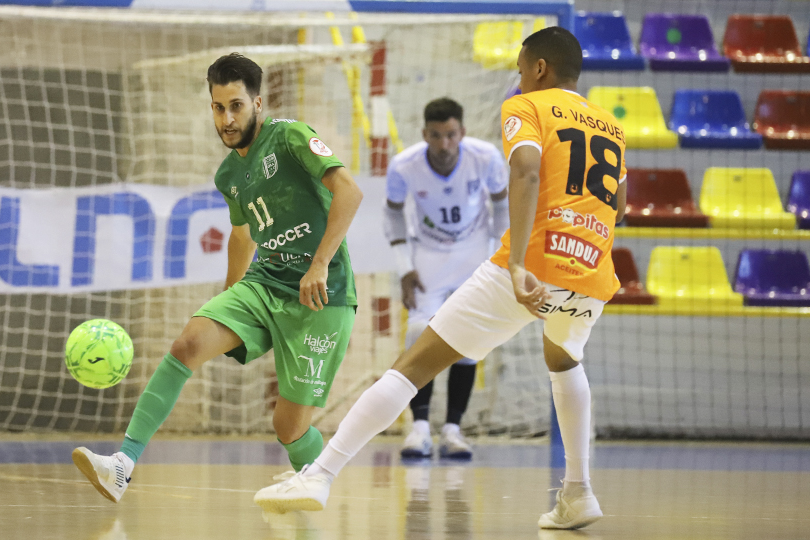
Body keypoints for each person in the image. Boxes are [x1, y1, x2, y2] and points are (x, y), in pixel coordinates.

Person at [254, 26, 627, 531]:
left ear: (539, 68)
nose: (518, 79)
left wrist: (518, 263)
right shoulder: (610, 124)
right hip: (591, 272)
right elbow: (619, 207)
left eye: (520, 69)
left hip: (533, 264)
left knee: (410, 367)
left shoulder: (528, 106)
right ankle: (578, 492)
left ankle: (318, 475)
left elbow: (525, 172)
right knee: (564, 361)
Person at [72, 53, 363, 503]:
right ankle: (122, 466)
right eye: (218, 107)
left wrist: (320, 262)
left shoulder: (290, 137)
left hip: (321, 295)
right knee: (187, 344)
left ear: (258, 103)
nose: (226, 119)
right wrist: (231, 297)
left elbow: (350, 190)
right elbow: (242, 235)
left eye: (236, 106)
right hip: (264, 285)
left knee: (288, 427)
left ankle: (315, 479)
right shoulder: (229, 174)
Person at [385, 97, 509, 459]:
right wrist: (404, 266)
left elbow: (502, 206)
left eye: (451, 135)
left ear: (462, 133)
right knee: (417, 332)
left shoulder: (485, 157)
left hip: (475, 255)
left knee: (470, 341)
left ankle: (453, 430)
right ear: (424, 134)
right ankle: (419, 428)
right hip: (429, 258)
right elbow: (392, 215)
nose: (444, 145)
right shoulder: (404, 166)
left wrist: (501, 258)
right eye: (436, 136)